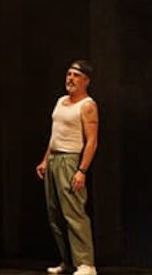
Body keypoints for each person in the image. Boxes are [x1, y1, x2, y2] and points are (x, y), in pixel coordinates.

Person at [36, 60, 99, 275]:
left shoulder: (87, 105)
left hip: (70, 161)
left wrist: (82, 170)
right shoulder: (61, 101)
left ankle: (86, 264)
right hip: (54, 159)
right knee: (55, 215)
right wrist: (45, 159)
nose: (70, 78)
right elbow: (55, 135)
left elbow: (92, 141)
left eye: (76, 75)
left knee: (74, 213)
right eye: (69, 74)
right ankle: (68, 261)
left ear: (86, 81)